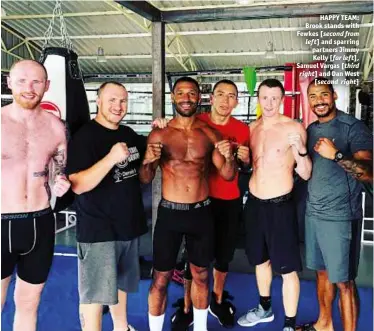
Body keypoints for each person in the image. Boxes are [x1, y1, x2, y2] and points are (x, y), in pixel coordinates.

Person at [140, 77, 237, 331]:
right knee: (160, 278)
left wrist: (229, 158)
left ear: (199, 98)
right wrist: (147, 161)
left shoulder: (209, 134)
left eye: (191, 93)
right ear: (173, 97)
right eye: (181, 93)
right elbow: (146, 177)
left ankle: (201, 328)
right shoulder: (159, 132)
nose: (186, 97)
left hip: (201, 213)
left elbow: (227, 175)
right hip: (170, 214)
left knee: (201, 275)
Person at [66, 81, 147, 331]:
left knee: (121, 286)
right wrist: (111, 158)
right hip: (99, 230)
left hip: (128, 226)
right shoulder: (85, 137)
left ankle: (121, 327)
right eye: (112, 100)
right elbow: (78, 184)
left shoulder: (129, 134)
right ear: (98, 101)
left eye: (123, 100)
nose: (118, 106)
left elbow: (143, 172)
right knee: (95, 294)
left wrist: (159, 132)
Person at [297, 77, 373, 331]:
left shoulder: (353, 127)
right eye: (314, 96)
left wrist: (337, 154)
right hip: (314, 213)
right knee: (321, 273)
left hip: (341, 216)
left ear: (334, 96)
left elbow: (368, 173)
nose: (319, 101)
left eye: (324, 95)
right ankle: (324, 325)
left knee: (344, 282)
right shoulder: (310, 131)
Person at [1, 59, 71, 331]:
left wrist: (59, 181)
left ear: (47, 86)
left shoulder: (56, 127)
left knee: (29, 303)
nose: (29, 88)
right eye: (21, 81)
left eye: (36, 82)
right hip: (1, 222)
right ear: (9, 82)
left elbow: (56, 169)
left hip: (41, 223)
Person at [238, 78, 312, 331]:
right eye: (264, 97)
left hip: (281, 206)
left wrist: (301, 150)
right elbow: (249, 166)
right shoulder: (251, 129)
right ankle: (265, 308)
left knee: (288, 268)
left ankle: (290, 324)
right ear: (258, 98)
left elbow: (305, 174)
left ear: (282, 100)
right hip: (255, 205)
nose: (269, 103)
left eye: (274, 98)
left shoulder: (293, 127)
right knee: (260, 261)